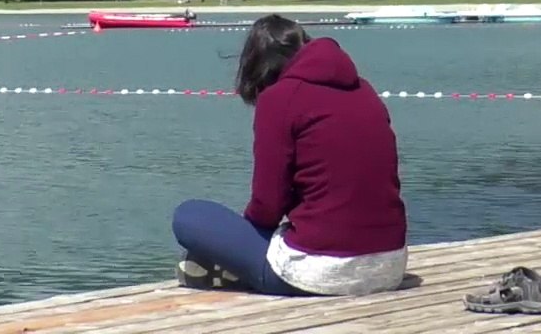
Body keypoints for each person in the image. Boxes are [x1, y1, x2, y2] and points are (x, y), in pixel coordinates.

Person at [171, 15, 408, 296]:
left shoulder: (279, 99)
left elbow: (267, 206)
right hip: (390, 264)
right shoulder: (364, 90)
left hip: (320, 271)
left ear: (259, 68)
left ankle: (235, 269)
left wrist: (243, 241)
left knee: (188, 216)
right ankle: (235, 266)